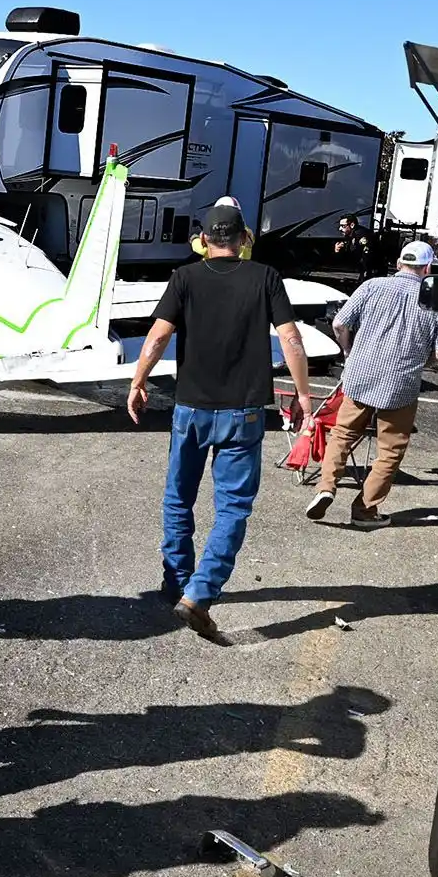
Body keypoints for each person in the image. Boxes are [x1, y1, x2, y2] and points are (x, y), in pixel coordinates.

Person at [127, 202, 314, 639]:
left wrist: (139, 381)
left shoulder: (185, 277)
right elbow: (290, 337)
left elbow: (158, 335)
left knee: (178, 499)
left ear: (203, 241)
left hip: (190, 408)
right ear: (245, 239)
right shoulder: (265, 277)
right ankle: (200, 592)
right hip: (244, 412)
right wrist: (303, 394)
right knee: (232, 509)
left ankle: (176, 581)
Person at [305, 240, 438, 529]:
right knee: (389, 450)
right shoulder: (436, 300)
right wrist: (428, 363)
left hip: (361, 374)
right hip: (400, 383)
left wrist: (349, 352)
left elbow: (340, 323)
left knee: (342, 435)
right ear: (427, 268)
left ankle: (326, 487)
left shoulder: (372, 286)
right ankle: (364, 510)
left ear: (399, 264)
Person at [188, 195, 253, 260]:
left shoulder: (217, 231)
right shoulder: (246, 232)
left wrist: (194, 238)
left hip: (216, 266)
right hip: (241, 265)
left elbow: (203, 250)